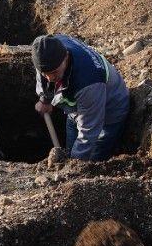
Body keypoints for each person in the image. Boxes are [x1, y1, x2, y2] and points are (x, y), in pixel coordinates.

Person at [31, 34, 129, 162]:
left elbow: (88, 132)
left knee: (91, 159)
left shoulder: (88, 81)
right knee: (71, 150)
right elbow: (45, 74)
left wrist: (74, 165)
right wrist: (45, 99)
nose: (50, 78)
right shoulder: (47, 52)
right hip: (78, 108)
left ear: (66, 56)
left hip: (109, 113)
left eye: (54, 72)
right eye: (45, 73)